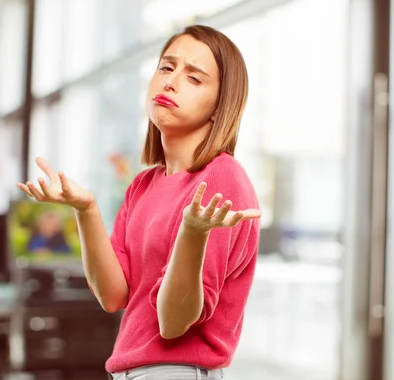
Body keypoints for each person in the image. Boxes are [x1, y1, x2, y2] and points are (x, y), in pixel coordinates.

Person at [18, 25, 261, 380]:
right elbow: (113, 296)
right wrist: (86, 211)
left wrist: (191, 233)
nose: (171, 82)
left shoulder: (221, 177)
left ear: (218, 106)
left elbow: (174, 323)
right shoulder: (144, 185)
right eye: (166, 67)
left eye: (194, 78)